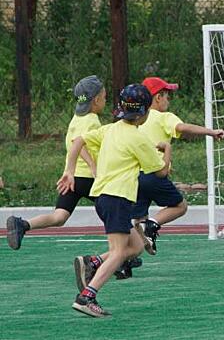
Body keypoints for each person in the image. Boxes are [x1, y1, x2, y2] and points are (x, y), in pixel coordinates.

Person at [57, 84, 171, 317]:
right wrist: (166, 149)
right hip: (117, 198)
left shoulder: (110, 129)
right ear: (145, 112)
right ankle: (86, 297)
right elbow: (161, 172)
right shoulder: (138, 138)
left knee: (136, 245)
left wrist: (69, 169)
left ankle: (93, 262)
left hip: (104, 197)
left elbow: (78, 141)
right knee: (119, 252)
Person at [6, 75, 105, 250]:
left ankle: (23, 225)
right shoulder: (92, 120)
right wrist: (92, 165)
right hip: (88, 178)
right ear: (96, 100)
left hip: (73, 178)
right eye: (104, 97)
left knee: (59, 217)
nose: (105, 100)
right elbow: (77, 143)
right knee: (116, 212)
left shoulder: (76, 118)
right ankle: (123, 252)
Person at [132, 77, 224, 255]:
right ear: (158, 97)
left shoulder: (136, 119)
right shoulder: (163, 117)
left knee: (137, 222)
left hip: (134, 177)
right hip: (154, 174)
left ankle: (124, 262)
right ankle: (152, 224)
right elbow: (182, 128)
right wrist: (211, 132)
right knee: (180, 206)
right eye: (167, 95)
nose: (169, 99)